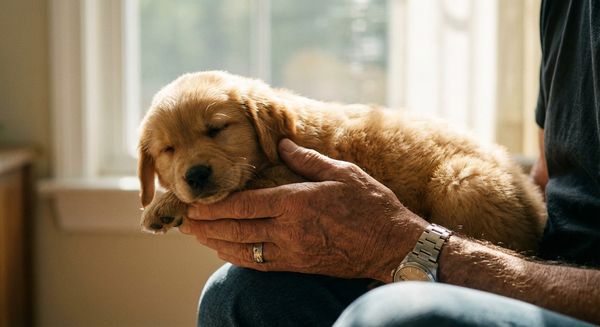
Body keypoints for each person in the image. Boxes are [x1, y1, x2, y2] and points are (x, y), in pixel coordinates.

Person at [179, 0, 600, 325]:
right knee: (237, 295)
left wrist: (412, 249)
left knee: (396, 316)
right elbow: (550, 177)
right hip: (546, 261)